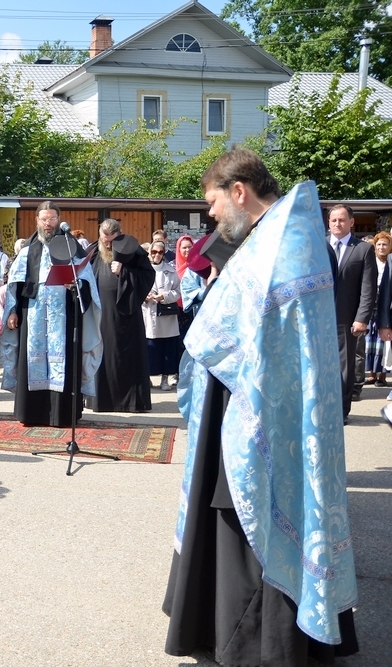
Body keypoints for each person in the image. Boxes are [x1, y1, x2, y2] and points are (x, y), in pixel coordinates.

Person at [164, 147, 359, 665]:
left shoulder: (285, 244)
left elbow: (254, 330)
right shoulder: (273, 238)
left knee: (249, 512)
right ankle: (215, 623)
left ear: (239, 192)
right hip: (239, 390)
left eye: (212, 204)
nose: (209, 217)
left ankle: (257, 642)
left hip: (261, 404)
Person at [0, 201, 102, 427]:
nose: (48, 224)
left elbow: (87, 281)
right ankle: (31, 413)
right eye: (44, 219)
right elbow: (15, 283)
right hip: (32, 317)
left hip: (65, 317)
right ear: (37, 221)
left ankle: (63, 415)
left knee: (64, 361)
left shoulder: (72, 246)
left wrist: (76, 286)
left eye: (52, 219)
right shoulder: (28, 249)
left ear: (59, 219)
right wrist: (13, 312)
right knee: (32, 359)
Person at [86, 219, 155, 413]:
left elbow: (148, 277)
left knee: (126, 358)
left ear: (120, 235)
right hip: (100, 315)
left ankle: (130, 402)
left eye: (111, 241)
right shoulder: (93, 251)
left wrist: (125, 272)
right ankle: (102, 401)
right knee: (101, 356)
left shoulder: (134, 252)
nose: (107, 245)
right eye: (104, 240)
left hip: (126, 316)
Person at [328, 204, 376, 421]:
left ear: (351, 222)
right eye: (333, 220)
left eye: (341, 220)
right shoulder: (319, 247)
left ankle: (341, 410)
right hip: (318, 317)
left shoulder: (363, 249)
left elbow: (368, 288)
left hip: (346, 318)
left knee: (344, 367)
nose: (337, 224)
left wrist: (361, 318)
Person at [142, 241, 181, 392]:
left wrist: (163, 296)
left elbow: (178, 292)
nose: (157, 255)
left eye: (160, 252)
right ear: (149, 253)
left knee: (167, 348)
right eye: (154, 252)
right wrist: (144, 296)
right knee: (149, 348)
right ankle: (148, 377)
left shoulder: (171, 271)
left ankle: (165, 378)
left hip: (166, 315)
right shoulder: (143, 269)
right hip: (148, 313)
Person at [365, 232, 390, 386]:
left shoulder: (391, 262)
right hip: (371, 307)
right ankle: (372, 374)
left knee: (384, 342)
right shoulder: (371, 261)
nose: (382, 247)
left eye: (385, 244)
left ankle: (382, 375)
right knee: (370, 342)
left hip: (386, 308)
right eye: (379, 244)